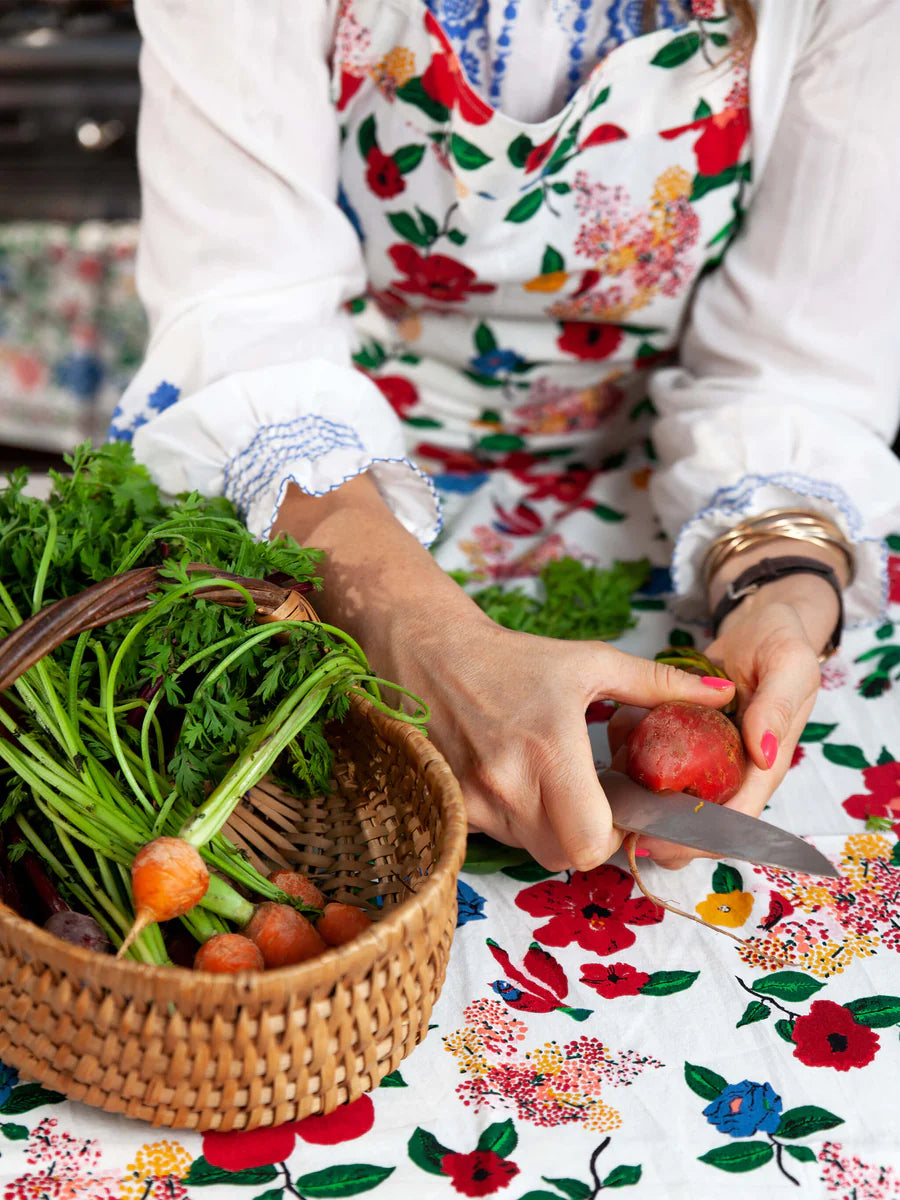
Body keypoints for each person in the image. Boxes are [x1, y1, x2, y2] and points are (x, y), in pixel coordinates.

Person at [112, 0, 900, 874]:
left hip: (669, 521)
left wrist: (778, 588)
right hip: (325, 511)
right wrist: (420, 630)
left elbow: (797, 365)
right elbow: (243, 314)